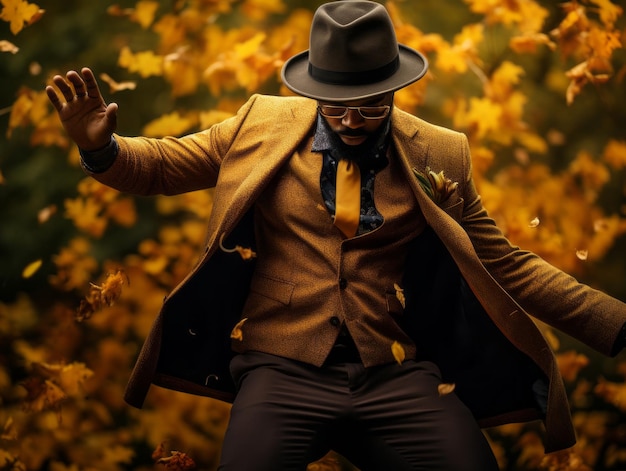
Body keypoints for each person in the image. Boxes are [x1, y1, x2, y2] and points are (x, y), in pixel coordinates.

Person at [46, 1, 626, 470]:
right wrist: (101, 148)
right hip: (280, 371)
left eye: (370, 107)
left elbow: (506, 264)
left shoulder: (440, 153)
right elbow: (161, 166)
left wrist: (616, 323)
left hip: (396, 375)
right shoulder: (259, 124)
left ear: (396, 90)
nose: (351, 120)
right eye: (336, 106)